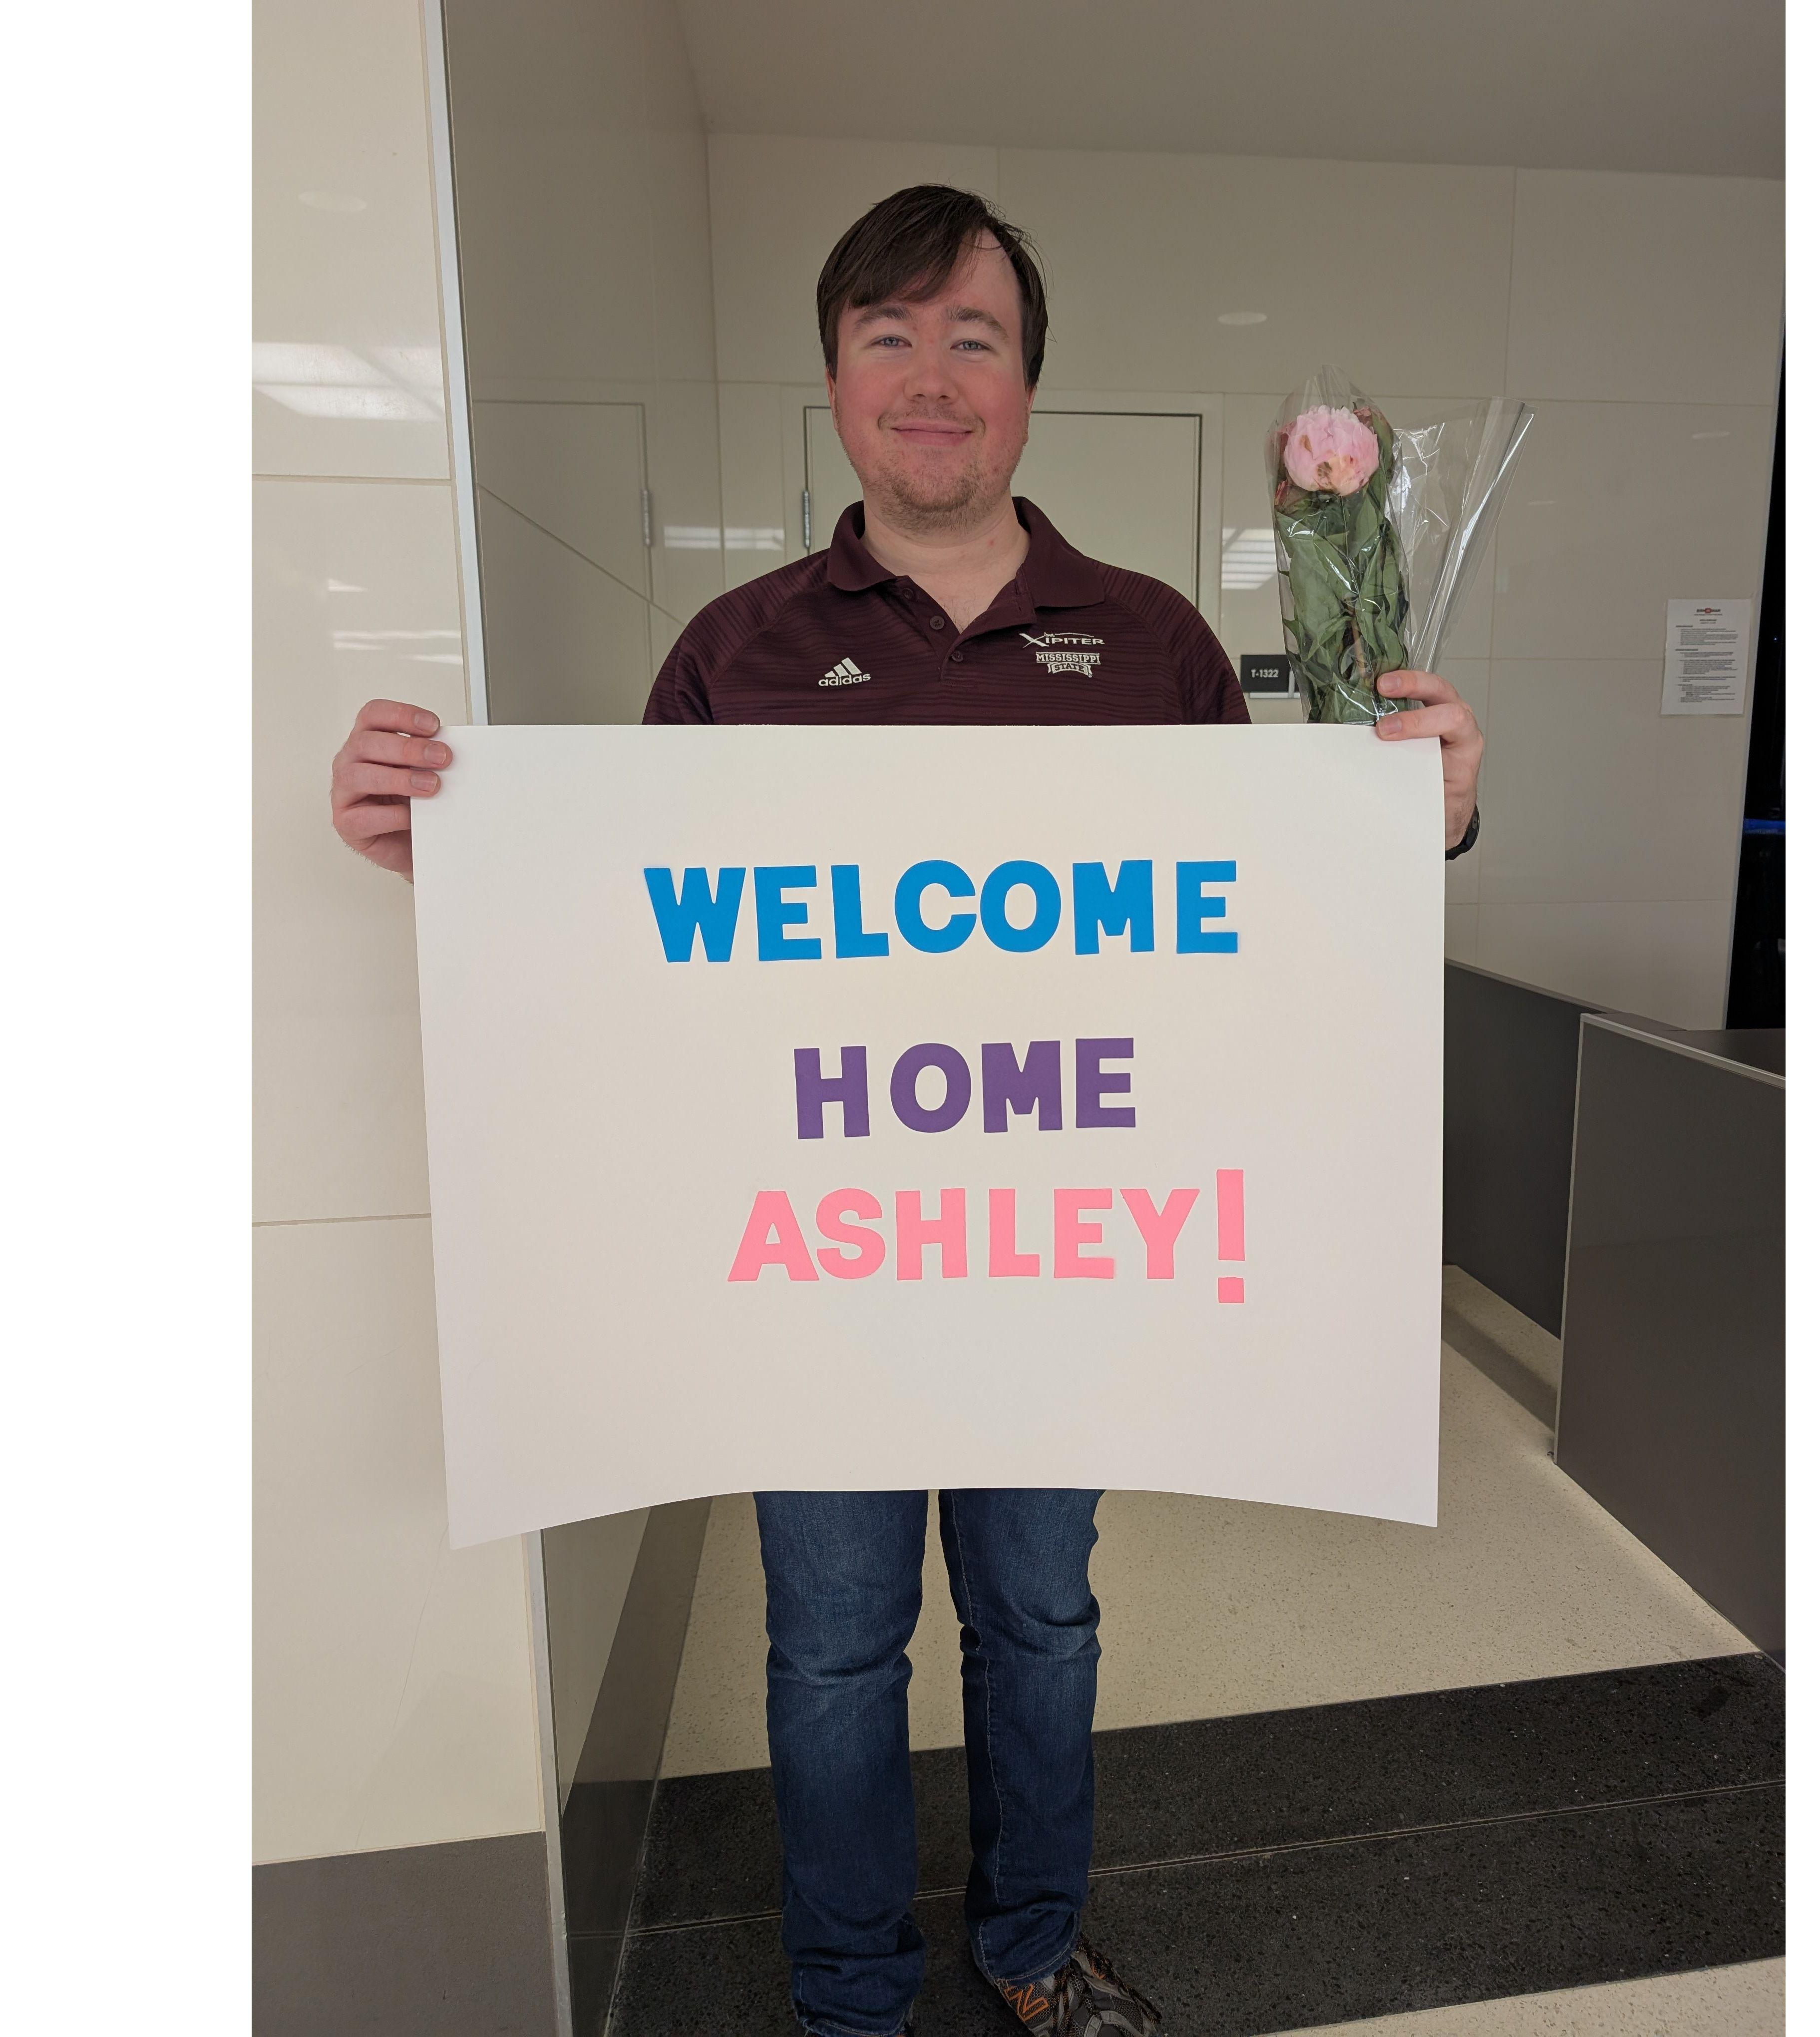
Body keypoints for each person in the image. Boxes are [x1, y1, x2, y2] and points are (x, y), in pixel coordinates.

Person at [331, 185, 1483, 2037]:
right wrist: (452, 870)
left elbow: (1266, 922)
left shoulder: (1154, 645)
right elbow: (642, 939)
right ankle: (849, 1997)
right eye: (892, 336)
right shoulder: (735, 652)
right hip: (823, 1269)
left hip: (1064, 1252)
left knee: (1042, 1624)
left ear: (1028, 385)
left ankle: (1031, 1948)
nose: (932, 376)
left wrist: (1419, 819)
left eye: (975, 339)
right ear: (837, 378)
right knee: (834, 1651)